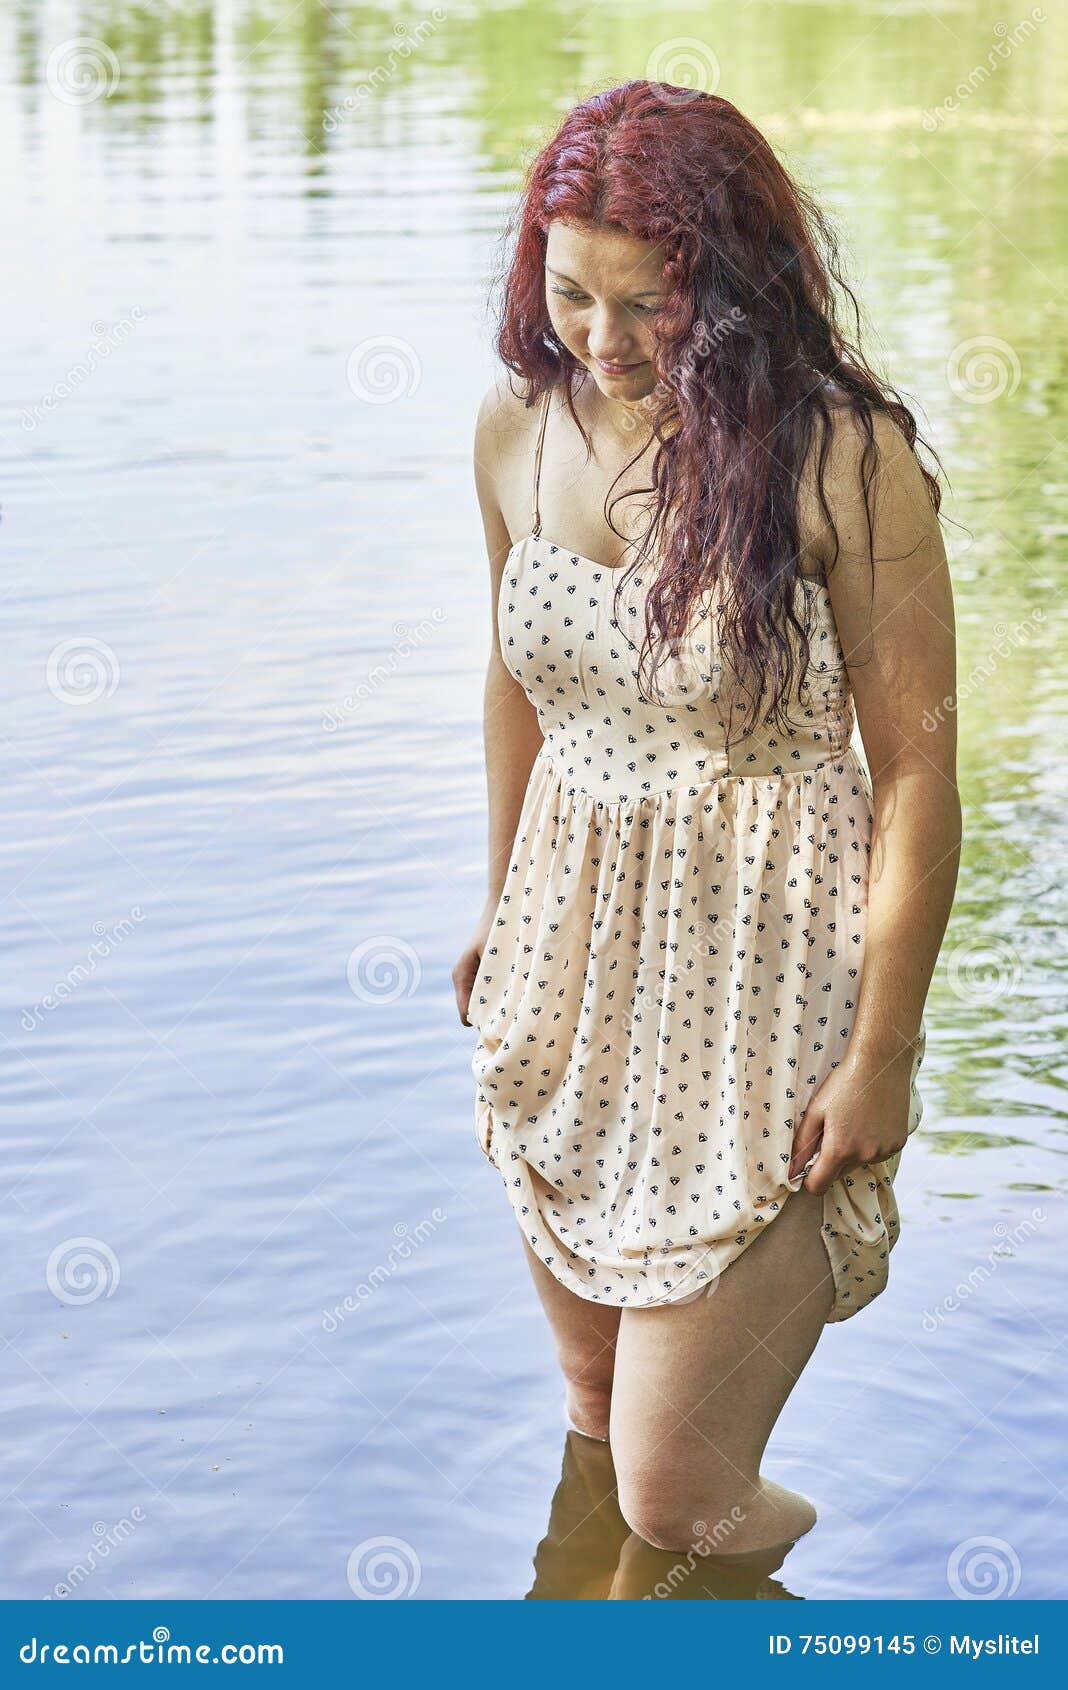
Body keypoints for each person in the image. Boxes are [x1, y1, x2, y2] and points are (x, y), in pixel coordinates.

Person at [453, 81, 960, 1560]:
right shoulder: (515, 426)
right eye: (569, 298)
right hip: (570, 969)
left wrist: (886, 1055)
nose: (601, 343)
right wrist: (497, 908)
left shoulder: (845, 461)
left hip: (763, 1003)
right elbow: (512, 681)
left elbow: (919, 770)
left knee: (678, 1492)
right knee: (598, 1407)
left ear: (729, 286)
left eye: (646, 304)